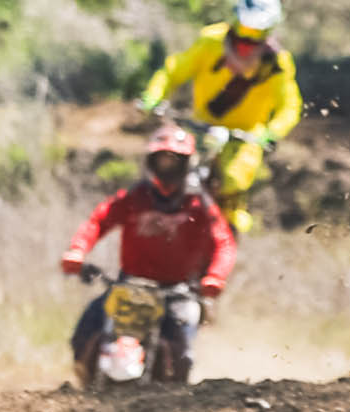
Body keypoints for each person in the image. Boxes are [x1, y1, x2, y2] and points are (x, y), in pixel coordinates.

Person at [58, 121, 237, 387]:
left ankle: (176, 397)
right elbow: (98, 222)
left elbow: (224, 242)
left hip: (179, 292)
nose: (167, 166)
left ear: (186, 163)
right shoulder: (134, 197)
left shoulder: (199, 203)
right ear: (151, 161)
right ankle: (87, 385)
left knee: (182, 351)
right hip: (129, 285)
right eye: (161, 159)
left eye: (174, 160)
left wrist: (215, 277)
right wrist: (77, 251)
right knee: (85, 332)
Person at [137, 0, 301, 233]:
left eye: (257, 31)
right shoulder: (211, 41)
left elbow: (289, 106)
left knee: (232, 181)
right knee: (164, 165)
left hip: (245, 138)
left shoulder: (277, 63)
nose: (249, 37)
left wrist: (272, 132)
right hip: (199, 129)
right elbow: (174, 70)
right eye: (246, 27)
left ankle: (227, 237)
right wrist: (153, 96)